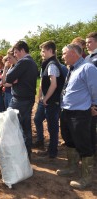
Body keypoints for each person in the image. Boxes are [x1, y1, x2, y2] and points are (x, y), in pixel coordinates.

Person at [56, 44, 97, 189]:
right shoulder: (72, 69)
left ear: (73, 53)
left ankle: (86, 178)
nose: (62, 56)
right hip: (67, 111)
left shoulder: (88, 68)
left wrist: (95, 105)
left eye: (64, 53)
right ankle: (72, 167)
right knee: (69, 140)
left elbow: (95, 89)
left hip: (80, 113)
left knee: (84, 144)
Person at [33, 41, 66, 158]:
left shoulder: (52, 65)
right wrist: (40, 96)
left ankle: (52, 152)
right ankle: (46, 146)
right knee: (38, 119)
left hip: (52, 101)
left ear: (50, 51)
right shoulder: (47, 64)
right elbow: (44, 83)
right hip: (47, 101)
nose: (41, 53)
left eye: (43, 51)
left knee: (52, 128)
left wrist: (45, 98)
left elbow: (54, 84)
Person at [5, 41, 38, 158]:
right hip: (27, 98)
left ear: (22, 50)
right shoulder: (32, 62)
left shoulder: (24, 62)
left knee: (15, 126)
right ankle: (26, 152)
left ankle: (21, 153)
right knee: (26, 126)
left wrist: (14, 78)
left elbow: (8, 78)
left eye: (16, 52)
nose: (15, 55)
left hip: (20, 100)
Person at [85, 32, 97, 155]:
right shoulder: (87, 58)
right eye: (86, 42)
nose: (87, 44)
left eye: (90, 42)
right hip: (88, 99)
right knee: (90, 128)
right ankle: (92, 154)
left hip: (95, 99)